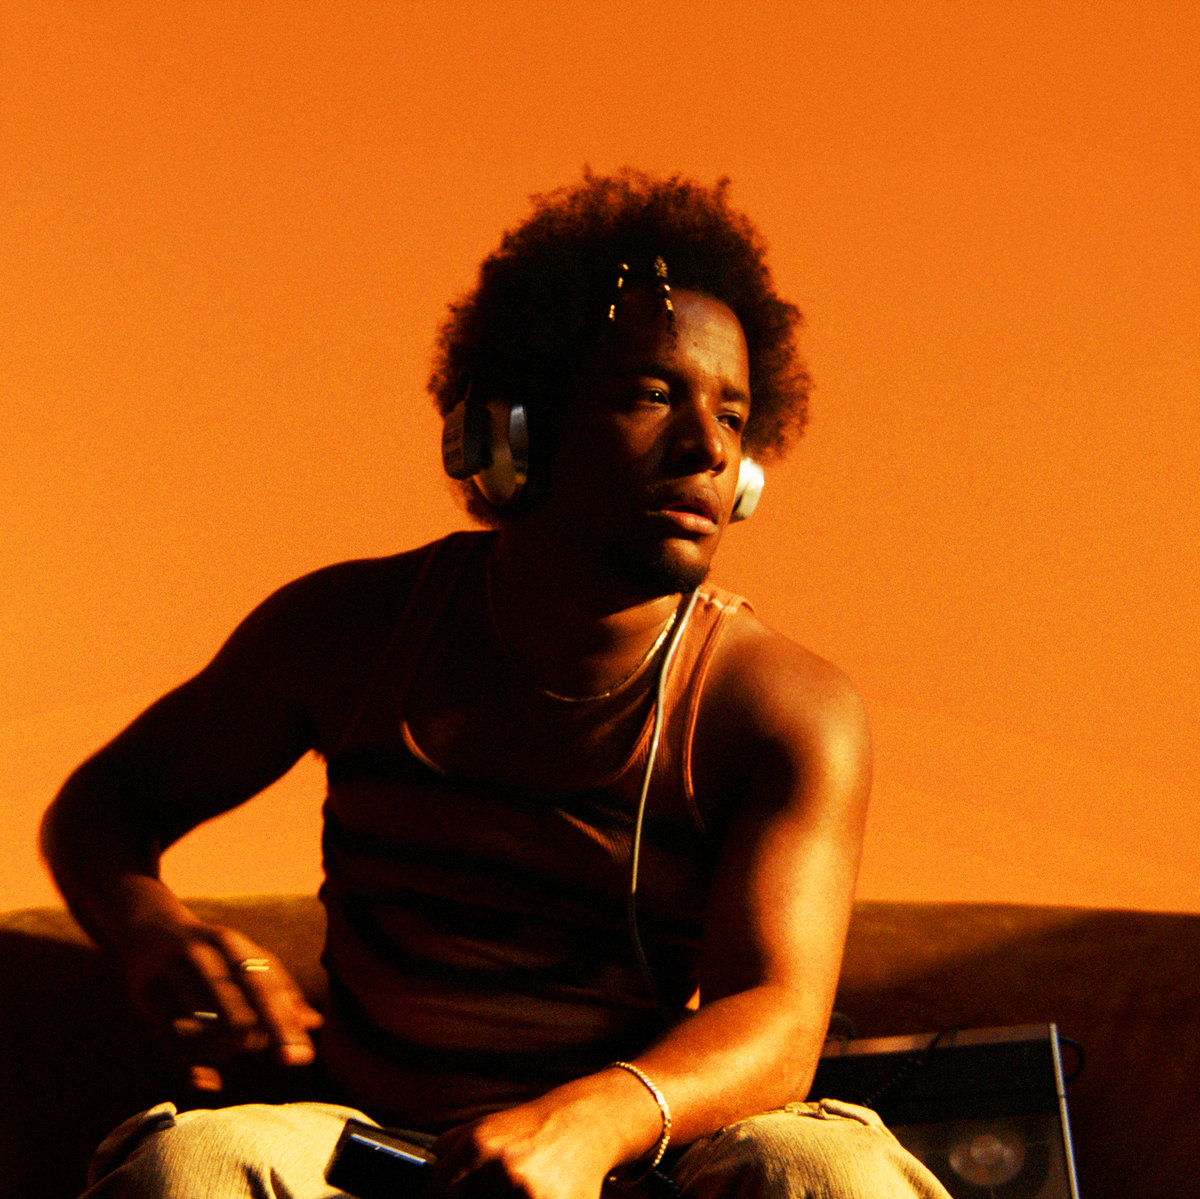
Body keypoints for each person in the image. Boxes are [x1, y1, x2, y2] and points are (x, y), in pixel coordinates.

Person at [42, 170, 950, 1199]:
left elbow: (778, 1016)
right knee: (193, 1163)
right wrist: (149, 929)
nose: (706, 448)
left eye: (733, 416)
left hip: (636, 1155)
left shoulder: (784, 707)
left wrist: (586, 1124)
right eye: (652, 395)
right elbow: (103, 806)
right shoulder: (348, 630)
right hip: (369, 1154)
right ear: (511, 428)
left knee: (828, 1167)